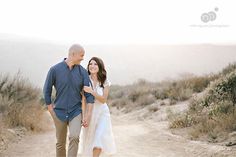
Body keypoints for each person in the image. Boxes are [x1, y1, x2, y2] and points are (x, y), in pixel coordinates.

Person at [43, 44, 94, 157]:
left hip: (76, 111)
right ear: (72, 54)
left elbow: (89, 94)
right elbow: (46, 90)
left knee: (75, 137)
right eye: (81, 55)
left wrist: (87, 114)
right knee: (60, 143)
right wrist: (51, 109)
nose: (83, 58)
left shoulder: (82, 72)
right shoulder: (54, 70)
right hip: (59, 111)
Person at [79, 57, 116, 157]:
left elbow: (103, 100)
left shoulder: (105, 81)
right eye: (90, 64)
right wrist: (83, 116)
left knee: (99, 140)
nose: (92, 66)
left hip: (102, 113)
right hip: (89, 113)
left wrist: (91, 91)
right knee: (89, 141)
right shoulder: (85, 80)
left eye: (95, 64)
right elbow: (83, 100)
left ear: (100, 67)